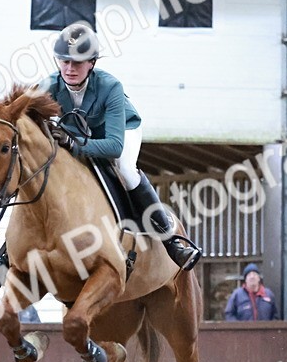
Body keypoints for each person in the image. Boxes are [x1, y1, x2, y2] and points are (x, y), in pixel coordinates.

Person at [46, 22, 202, 272]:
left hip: (119, 132)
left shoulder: (110, 87)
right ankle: (2, 256)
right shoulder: (49, 86)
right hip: (78, 135)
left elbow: (114, 146)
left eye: (77, 62)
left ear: (92, 63)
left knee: (125, 169)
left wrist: (74, 144)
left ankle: (171, 240)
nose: (70, 68)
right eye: (64, 61)